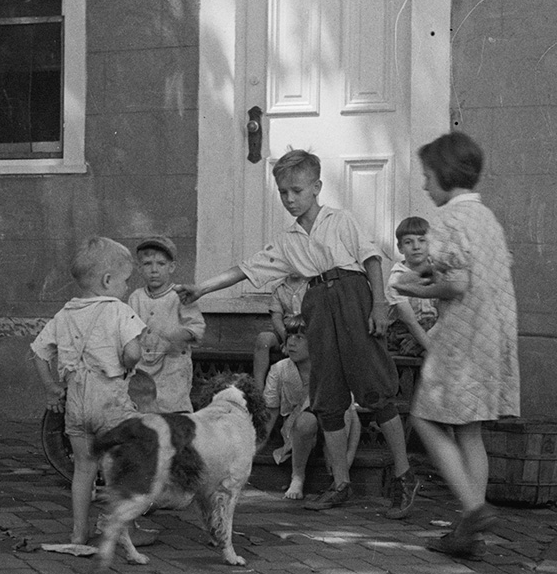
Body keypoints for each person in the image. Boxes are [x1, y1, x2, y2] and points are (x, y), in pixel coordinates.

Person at [177, 149, 420, 516]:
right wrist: (201, 289)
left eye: (297, 190)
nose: (290, 199)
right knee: (327, 395)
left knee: (376, 389)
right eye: (283, 192)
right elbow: (245, 269)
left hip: (353, 298)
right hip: (318, 306)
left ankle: (404, 476)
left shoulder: (341, 221)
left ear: (317, 187)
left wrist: (379, 304)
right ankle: (340, 483)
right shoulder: (287, 241)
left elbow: (371, 259)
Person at [394, 132, 520, 557]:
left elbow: (456, 282)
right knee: (470, 430)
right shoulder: (487, 218)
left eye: (428, 177)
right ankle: (471, 535)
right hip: (493, 335)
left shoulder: (447, 220)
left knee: (425, 417)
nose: (426, 186)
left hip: (461, 337)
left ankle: (472, 508)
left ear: (445, 175)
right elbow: (475, 270)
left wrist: (415, 289)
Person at [32, 237, 145, 547]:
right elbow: (133, 352)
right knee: (125, 464)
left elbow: (40, 352)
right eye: (125, 281)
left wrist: (52, 389)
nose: (125, 287)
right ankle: (127, 530)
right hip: (109, 397)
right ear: (108, 280)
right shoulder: (119, 311)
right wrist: (127, 361)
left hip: (75, 400)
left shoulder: (64, 314)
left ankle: (79, 531)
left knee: (83, 467)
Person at [260, 315, 361, 500]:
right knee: (307, 420)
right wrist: (257, 444)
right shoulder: (280, 369)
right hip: (299, 433)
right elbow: (271, 411)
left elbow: (353, 417)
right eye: (289, 337)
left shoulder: (329, 368)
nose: (291, 343)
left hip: (334, 429)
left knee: (339, 411)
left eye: (299, 338)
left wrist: (348, 459)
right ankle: (297, 476)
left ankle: (336, 467)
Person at [127, 236, 206, 413]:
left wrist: (180, 335)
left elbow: (197, 327)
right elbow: (128, 331)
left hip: (172, 365)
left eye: (161, 264)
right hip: (142, 367)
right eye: (147, 264)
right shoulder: (136, 297)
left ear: (171, 267)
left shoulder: (181, 295)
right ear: (139, 268)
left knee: (172, 410)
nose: (154, 270)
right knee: (143, 411)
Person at [385, 216, 439, 358]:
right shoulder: (397, 278)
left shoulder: (436, 271)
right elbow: (409, 321)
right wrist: (433, 351)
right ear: (400, 248)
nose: (416, 247)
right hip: (406, 331)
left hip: (433, 327)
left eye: (422, 240)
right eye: (409, 242)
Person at [252, 272, 309, 389]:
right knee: (263, 339)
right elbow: (276, 317)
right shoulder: (278, 288)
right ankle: (258, 389)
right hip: (285, 332)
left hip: (306, 332)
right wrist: (286, 338)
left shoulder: (311, 285)